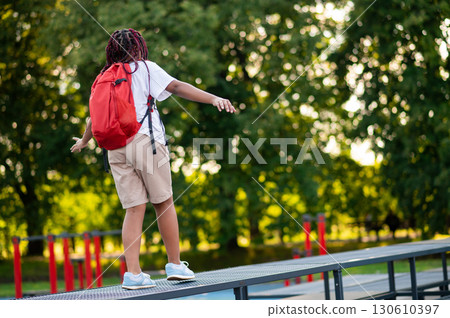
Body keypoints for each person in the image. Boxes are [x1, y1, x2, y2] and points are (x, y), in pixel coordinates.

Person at [71, 28, 236, 289]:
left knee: (134, 208)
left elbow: (95, 116)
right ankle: (175, 264)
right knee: (164, 202)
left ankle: (133, 275)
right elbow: (177, 86)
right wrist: (214, 98)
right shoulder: (144, 68)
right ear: (138, 48)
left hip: (114, 148)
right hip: (145, 141)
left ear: (112, 50)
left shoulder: (103, 76)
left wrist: (84, 141)